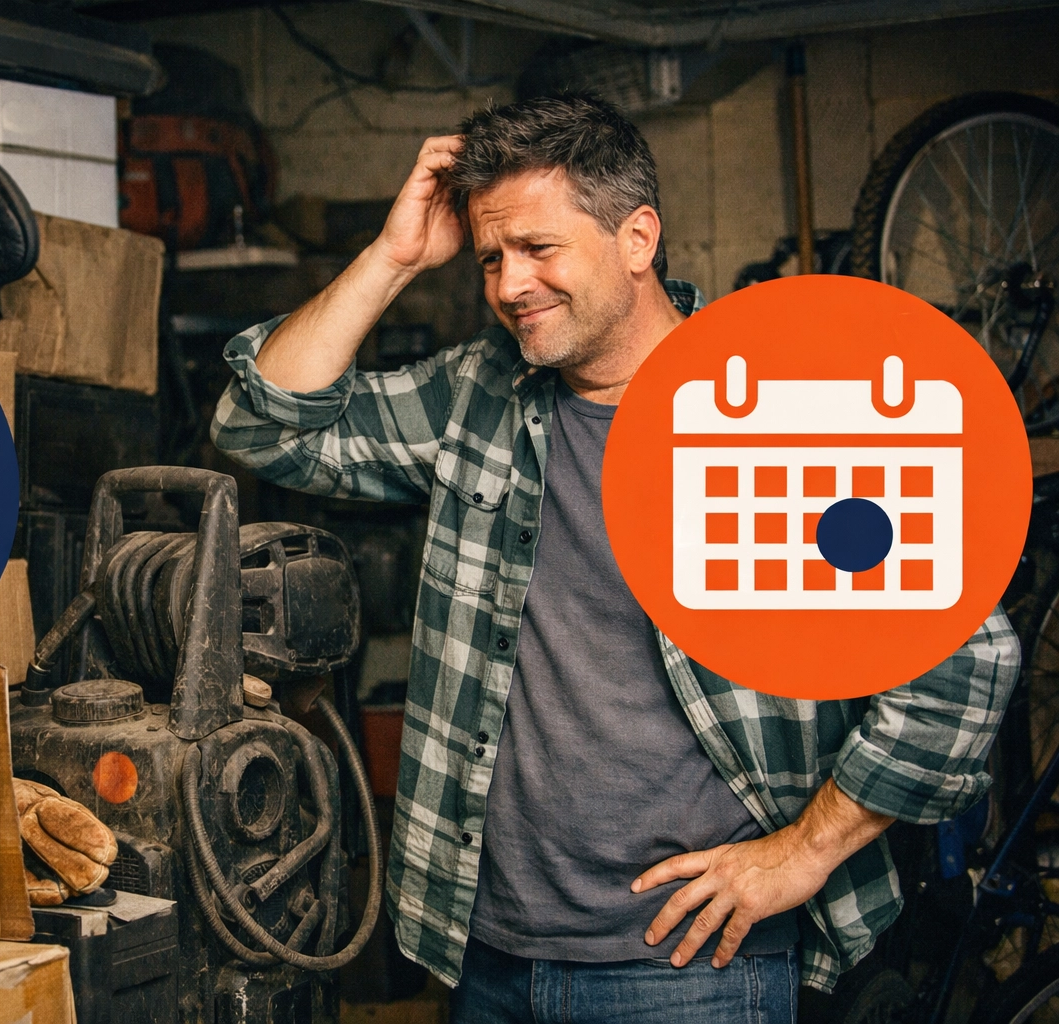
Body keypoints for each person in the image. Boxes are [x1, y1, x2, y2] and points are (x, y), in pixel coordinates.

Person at [211, 93, 1019, 1023]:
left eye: (539, 249)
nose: (509, 285)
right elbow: (261, 424)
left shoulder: (786, 410)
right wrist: (394, 258)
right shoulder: (478, 395)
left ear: (638, 238)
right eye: (490, 257)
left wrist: (802, 852)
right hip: (487, 955)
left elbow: (967, 663)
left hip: (694, 970)